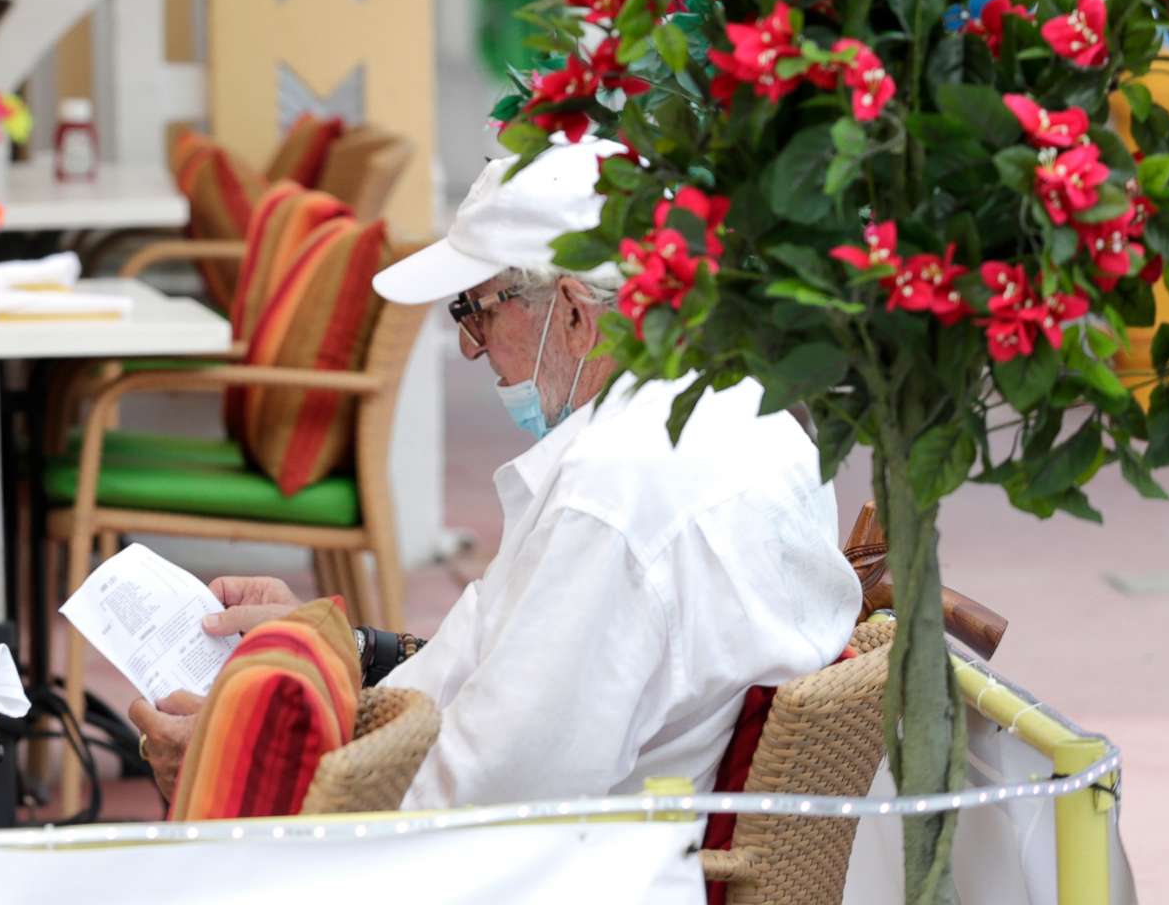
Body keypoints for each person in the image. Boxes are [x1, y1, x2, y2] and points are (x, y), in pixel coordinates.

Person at [128, 139, 860, 810]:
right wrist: (325, 652)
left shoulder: (615, 493)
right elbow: (496, 669)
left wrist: (240, 760)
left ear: (575, 312)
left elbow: (484, 798)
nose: (472, 348)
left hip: (577, 867)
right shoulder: (742, 403)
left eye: (475, 310)